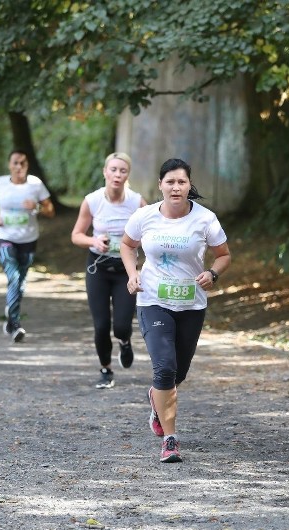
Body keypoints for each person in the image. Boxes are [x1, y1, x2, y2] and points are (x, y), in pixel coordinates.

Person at [120, 158, 231, 463]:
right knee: (165, 368)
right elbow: (127, 245)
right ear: (160, 185)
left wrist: (212, 273)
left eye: (181, 182)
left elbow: (223, 255)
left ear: (189, 185)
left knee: (177, 373)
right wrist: (132, 274)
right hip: (153, 300)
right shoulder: (144, 216)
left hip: (191, 304)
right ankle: (170, 440)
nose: (176, 187)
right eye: (170, 182)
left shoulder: (205, 219)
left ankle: (156, 396)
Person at [71, 152, 147, 389]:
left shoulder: (136, 202)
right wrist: (94, 242)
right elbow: (76, 235)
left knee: (122, 326)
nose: (117, 174)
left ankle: (124, 341)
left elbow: (153, 231)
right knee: (101, 325)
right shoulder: (92, 201)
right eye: (113, 169)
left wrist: (140, 246)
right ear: (105, 172)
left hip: (125, 270)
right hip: (99, 269)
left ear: (127, 175)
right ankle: (106, 370)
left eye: (122, 171)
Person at [0, 149, 55, 343]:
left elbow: (51, 211)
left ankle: (11, 316)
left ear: (27, 165)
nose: (19, 167)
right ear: (9, 165)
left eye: (23, 163)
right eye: (15, 163)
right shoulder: (0, 183)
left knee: (21, 281)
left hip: (28, 239)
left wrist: (36, 207)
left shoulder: (35, 185)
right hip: (5, 237)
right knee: (14, 276)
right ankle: (15, 322)